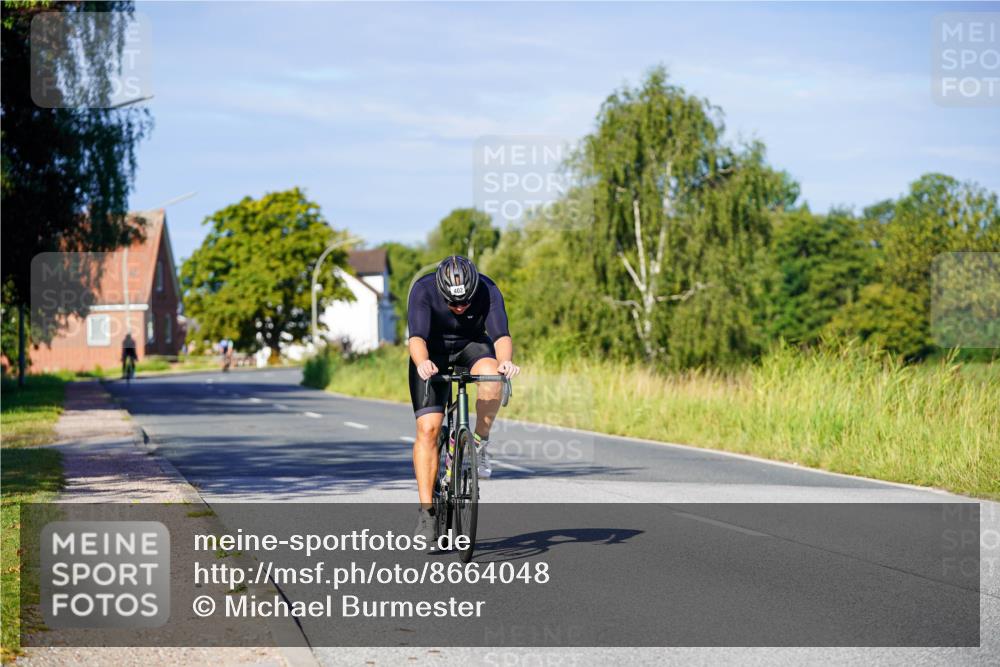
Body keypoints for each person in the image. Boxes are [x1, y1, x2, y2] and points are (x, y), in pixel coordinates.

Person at [407, 255, 520, 541]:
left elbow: (501, 335)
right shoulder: (423, 289)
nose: (459, 307)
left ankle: (478, 444)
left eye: (465, 302)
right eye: (453, 303)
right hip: (432, 352)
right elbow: (416, 337)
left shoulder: (488, 289)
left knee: (493, 377)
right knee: (428, 428)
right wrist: (422, 362)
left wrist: (505, 362)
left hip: (471, 346)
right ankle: (427, 513)